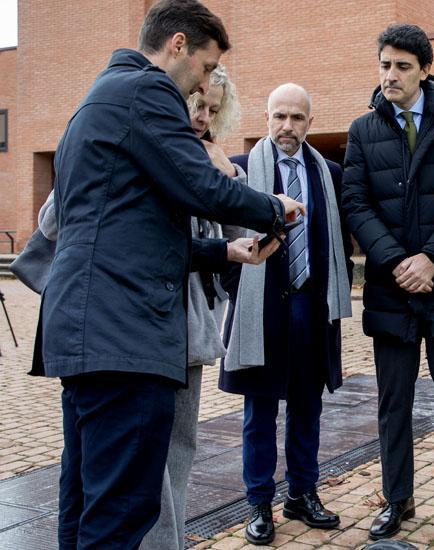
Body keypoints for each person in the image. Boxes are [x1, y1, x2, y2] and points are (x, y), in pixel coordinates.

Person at [32, 1, 303, 548]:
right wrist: (274, 207)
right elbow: (198, 185)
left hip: (86, 331)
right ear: (177, 45)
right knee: (121, 512)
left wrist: (225, 254)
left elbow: (132, 235)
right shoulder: (146, 90)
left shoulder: (95, 101)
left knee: (85, 500)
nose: (201, 88)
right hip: (124, 333)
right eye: (205, 68)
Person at [341, 23, 434, 549]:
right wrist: (400, 261)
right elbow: (356, 203)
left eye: (402, 66)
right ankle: (397, 498)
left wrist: (431, 259)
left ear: (425, 69)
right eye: (384, 64)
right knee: (392, 402)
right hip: (391, 290)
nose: (390, 75)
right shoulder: (363, 130)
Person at [220, 83, 353, 546]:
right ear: (266, 118)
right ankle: (258, 502)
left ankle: (302, 493)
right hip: (262, 312)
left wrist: (338, 291)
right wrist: (241, 290)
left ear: (310, 123)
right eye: (279, 116)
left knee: (307, 408)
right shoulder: (240, 171)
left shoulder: (328, 174)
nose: (287, 127)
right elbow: (227, 243)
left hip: (313, 310)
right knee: (259, 413)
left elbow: (343, 244)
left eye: (296, 118)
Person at [140, 64, 267, 550]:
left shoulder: (209, 158)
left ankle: (168, 540)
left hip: (196, 324)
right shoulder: (155, 148)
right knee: (154, 448)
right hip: (154, 320)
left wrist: (230, 175)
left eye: (214, 110)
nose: (203, 117)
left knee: (181, 445)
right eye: (199, 105)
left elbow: (240, 238)